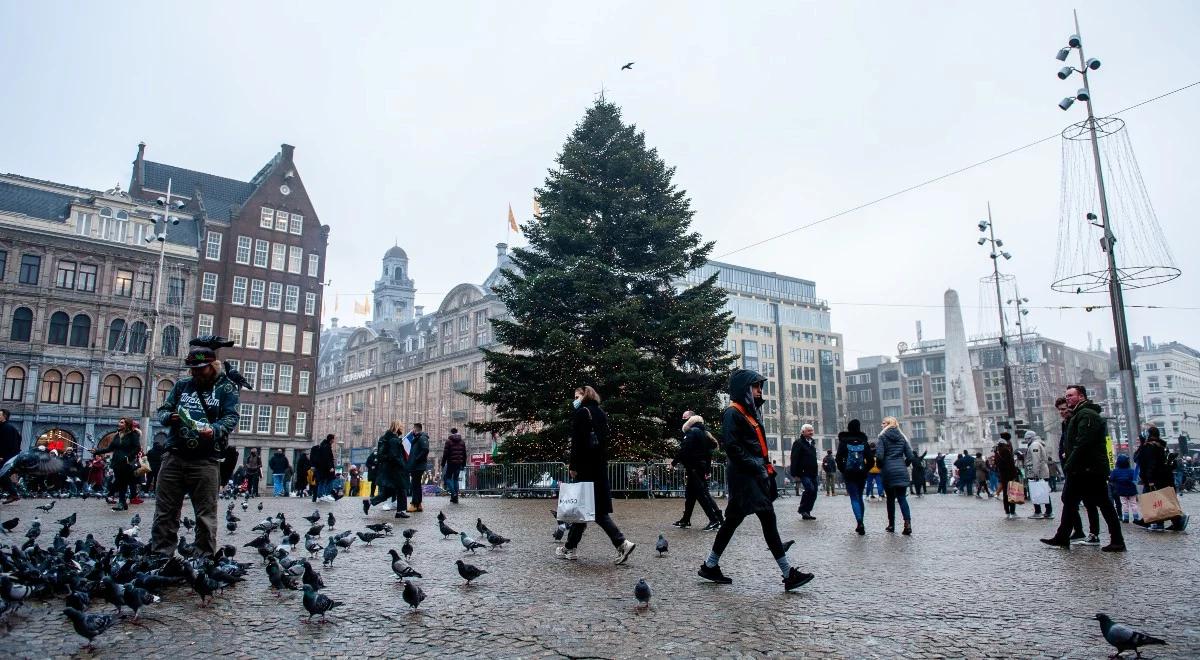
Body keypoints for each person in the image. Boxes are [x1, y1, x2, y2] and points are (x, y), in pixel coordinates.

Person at [697, 370, 811, 591]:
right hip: (745, 476)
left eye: (760, 386)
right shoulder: (733, 413)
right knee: (766, 518)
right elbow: (732, 446)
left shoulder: (749, 412)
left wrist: (763, 468)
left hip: (751, 475)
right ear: (744, 388)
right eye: (756, 386)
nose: (760, 390)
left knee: (733, 521)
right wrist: (756, 466)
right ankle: (788, 573)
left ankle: (710, 564)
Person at [152, 345, 240, 559]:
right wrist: (168, 417)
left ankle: (203, 558)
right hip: (174, 455)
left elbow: (231, 417)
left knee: (205, 515)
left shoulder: (226, 389)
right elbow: (163, 409)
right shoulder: (182, 386)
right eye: (192, 368)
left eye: (200, 368)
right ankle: (161, 556)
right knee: (165, 512)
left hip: (206, 460)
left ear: (213, 366)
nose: (195, 372)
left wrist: (215, 429)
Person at [557, 386, 636, 564]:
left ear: (584, 396)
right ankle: (570, 547)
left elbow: (576, 443)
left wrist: (573, 465)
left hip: (585, 468)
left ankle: (622, 542)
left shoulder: (581, 413)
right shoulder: (601, 413)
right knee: (584, 509)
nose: (574, 400)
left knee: (593, 511)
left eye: (577, 396)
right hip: (599, 467)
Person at [1040, 385, 1125, 552]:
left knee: (1103, 503)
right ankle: (1063, 536)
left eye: (1071, 395)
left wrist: (1070, 463)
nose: (1068, 398)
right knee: (1069, 500)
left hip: (1088, 469)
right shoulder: (1079, 414)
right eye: (1067, 395)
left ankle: (1117, 540)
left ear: (1081, 396)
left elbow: (1083, 443)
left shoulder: (1087, 415)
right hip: (1082, 468)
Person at [672, 415, 723, 530]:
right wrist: (707, 469)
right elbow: (708, 454)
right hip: (699, 467)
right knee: (691, 495)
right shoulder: (704, 433)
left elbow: (683, 449)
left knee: (702, 495)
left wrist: (674, 462)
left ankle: (715, 520)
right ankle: (686, 520)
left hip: (694, 467)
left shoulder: (692, 432)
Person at [1133, 425, 1189, 531]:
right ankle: (1160, 521)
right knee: (1159, 500)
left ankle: (1175, 519)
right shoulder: (1160, 445)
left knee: (1158, 500)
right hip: (1163, 477)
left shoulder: (1149, 447)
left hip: (1155, 478)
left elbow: (1147, 463)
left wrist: (1150, 480)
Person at [876, 417, 916, 535]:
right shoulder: (902, 438)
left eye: (883, 423)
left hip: (888, 471)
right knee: (902, 498)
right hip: (901, 470)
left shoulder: (882, 437)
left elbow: (879, 456)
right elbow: (910, 456)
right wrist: (903, 465)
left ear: (888, 424)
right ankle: (907, 523)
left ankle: (891, 525)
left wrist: (880, 466)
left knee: (890, 499)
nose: (881, 425)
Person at [94, 418, 142, 511]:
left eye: (122, 422)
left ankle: (121, 502)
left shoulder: (133, 435)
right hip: (116, 462)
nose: (119, 424)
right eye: (119, 422)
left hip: (126, 463)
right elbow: (110, 448)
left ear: (127, 424)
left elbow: (137, 448)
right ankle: (123, 502)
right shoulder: (117, 435)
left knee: (122, 482)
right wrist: (97, 451)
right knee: (120, 482)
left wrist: (128, 457)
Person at [363, 422, 409, 517]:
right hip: (395, 469)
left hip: (387, 469)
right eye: (401, 427)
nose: (402, 429)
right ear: (397, 428)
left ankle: (370, 502)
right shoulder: (394, 440)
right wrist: (403, 465)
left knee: (389, 492)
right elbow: (395, 456)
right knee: (402, 488)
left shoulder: (384, 438)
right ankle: (401, 511)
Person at [836, 419, 874, 535]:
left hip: (849, 473)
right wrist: (865, 470)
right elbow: (871, 460)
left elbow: (838, 458)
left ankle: (859, 522)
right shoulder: (863, 441)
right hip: (861, 474)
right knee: (860, 497)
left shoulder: (844, 442)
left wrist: (844, 470)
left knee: (854, 498)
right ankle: (861, 522)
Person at [790, 424, 819, 520]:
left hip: (813, 472)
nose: (811, 432)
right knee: (809, 489)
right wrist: (795, 474)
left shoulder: (812, 443)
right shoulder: (798, 443)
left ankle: (808, 511)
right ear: (803, 432)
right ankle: (802, 510)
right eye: (809, 431)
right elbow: (794, 458)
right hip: (803, 472)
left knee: (814, 492)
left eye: (812, 430)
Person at [1023, 430, 1053, 519]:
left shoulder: (1034, 445)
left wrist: (1035, 473)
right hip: (1042, 472)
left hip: (1037, 473)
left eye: (1026, 439)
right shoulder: (1039, 444)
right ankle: (1048, 511)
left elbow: (1036, 460)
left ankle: (1038, 511)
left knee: (1035, 492)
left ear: (1029, 438)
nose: (1026, 441)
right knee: (1044, 492)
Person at [405, 423, 430, 513]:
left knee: (414, 485)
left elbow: (425, 450)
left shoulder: (422, 437)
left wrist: (416, 459)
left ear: (415, 429)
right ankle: (418, 504)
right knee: (416, 485)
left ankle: (414, 504)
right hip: (415, 465)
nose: (412, 431)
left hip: (418, 466)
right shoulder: (418, 438)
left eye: (413, 429)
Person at [994, 435, 1020, 519]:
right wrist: (1014, 474)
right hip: (1010, 474)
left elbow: (997, 464)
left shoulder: (997, 452)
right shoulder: (1006, 451)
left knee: (1005, 493)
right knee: (1012, 493)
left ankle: (1007, 511)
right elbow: (1011, 464)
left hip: (1002, 475)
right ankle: (1012, 511)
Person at [0, 409, 23, 503]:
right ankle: (13, 494)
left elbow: (7, 444)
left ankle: (14, 494)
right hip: (6, 456)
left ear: (4, 416)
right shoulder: (3, 427)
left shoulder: (8, 428)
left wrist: (2, 456)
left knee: (2, 475)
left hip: (6, 457)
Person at [1109, 455, 1140, 523]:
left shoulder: (1115, 471)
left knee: (1124, 504)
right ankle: (1136, 518)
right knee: (1133, 504)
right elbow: (1135, 478)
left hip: (1121, 490)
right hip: (1132, 490)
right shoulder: (1131, 471)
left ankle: (1126, 518)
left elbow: (1111, 479)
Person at [441, 427, 468, 504]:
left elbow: (445, 454)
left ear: (451, 432)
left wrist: (443, 463)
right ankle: (455, 498)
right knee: (455, 479)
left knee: (448, 478)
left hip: (451, 463)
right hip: (459, 463)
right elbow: (464, 454)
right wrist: (463, 464)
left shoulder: (448, 441)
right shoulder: (462, 442)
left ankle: (454, 494)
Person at [311, 435, 336, 503]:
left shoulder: (324, 446)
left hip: (323, 468)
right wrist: (330, 467)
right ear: (331, 439)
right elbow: (327, 458)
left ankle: (322, 495)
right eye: (333, 439)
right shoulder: (326, 447)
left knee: (323, 481)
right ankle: (324, 495)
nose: (334, 441)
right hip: (325, 468)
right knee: (326, 481)